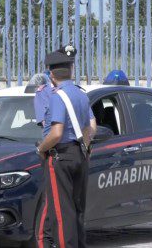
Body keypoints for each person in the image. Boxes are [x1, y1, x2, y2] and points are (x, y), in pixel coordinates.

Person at [35, 45, 95, 248]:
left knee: (61, 214)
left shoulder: (57, 96)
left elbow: (56, 132)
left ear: (51, 74)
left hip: (60, 157)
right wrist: (84, 150)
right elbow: (89, 129)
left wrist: (41, 148)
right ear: (71, 70)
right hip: (79, 154)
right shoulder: (81, 95)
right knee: (77, 210)